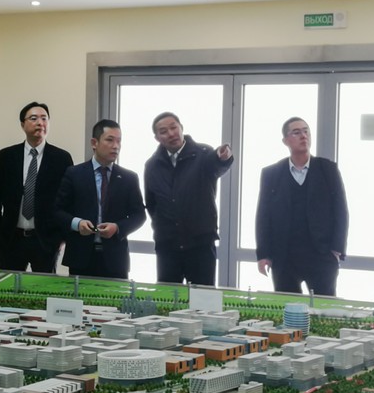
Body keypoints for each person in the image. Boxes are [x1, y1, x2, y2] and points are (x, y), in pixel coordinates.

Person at [255, 117, 349, 296]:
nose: (303, 136)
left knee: (323, 306)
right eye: (296, 132)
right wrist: (263, 254)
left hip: (321, 254)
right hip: (285, 255)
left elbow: (341, 210)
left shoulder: (327, 169)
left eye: (306, 131)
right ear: (285, 140)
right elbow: (263, 215)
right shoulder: (272, 173)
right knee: (288, 307)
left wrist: (337, 249)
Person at [144, 112, 233, 285]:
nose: (171, 134)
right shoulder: (152, 165)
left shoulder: (203, 154)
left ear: (181, 128)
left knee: (202, 297)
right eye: (163, 131)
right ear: (157, 138)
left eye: (173, 127)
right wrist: (163, 227)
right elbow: (152, 203)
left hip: (200, 244)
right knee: (168, 296)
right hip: (167, 246)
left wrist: (223, 158)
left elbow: (217, 166)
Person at [0, 102, 74, 273]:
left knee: (43, 287)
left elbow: (68, 201)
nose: (40, 123)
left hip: (46, 240)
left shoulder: (61, 158)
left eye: (44, 119)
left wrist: (61, 237)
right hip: (11, 239)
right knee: (9, 285)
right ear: (22, 124)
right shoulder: (7, 156)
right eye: (34, 118)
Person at [54, 118, 146, 279]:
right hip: (80, 258)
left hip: (115, 259)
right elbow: (57, 211)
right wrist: (77, 224)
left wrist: (117, 227)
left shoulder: (129, 178)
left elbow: (139, 215)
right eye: (110, 140)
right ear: (94, 143)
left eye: (119, 141)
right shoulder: (74, 174)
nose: (116, 146)